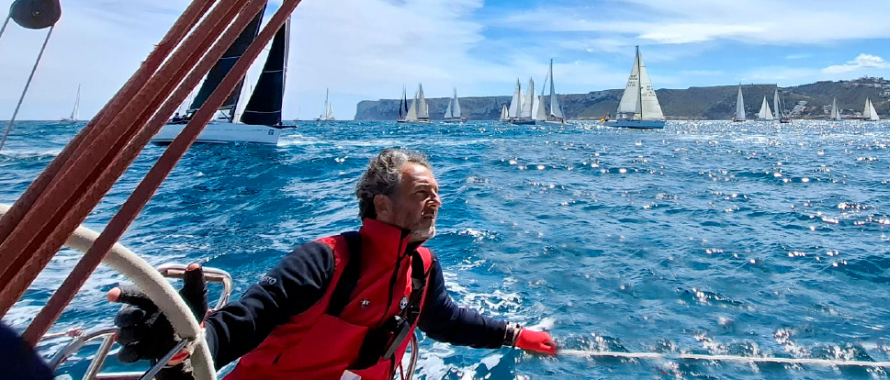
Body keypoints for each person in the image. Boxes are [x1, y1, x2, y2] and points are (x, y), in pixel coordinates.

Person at [111, 148, 556, 379]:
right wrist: (185, 338)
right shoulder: (324, 260)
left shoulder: (421, 266)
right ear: (382, 206)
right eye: (422, 193)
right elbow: (247, 319)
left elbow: (444, 320)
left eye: (436, 192)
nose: (436, 201)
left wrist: (513, 335)